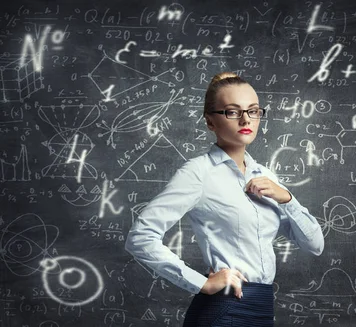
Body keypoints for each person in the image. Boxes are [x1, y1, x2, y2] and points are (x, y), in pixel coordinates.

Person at [124, 72, 325, 327]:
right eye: (232, 112)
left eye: (253, 111)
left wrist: (287, 198)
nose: (245, 119)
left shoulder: (266, 176)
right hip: (223, 310)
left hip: (262, 309)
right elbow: (141, 237)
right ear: (210, 122)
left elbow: (315, 245)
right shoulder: (198, 172)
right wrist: (202, 283)